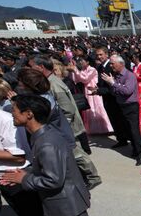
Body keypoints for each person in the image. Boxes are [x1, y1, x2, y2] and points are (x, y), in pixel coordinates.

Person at [1, 95, 113, 216]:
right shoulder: (43, 135)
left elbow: (53, 179)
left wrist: (24, 178)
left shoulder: (46, 142)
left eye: (15, 110)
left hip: (66, 199)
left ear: (29, 114)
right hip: (66, 197)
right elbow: (47, 168)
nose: (12, 113)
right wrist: (26, 172)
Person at [29, 55, 103, 190]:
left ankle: (93, 177)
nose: (31, 69)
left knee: (77, 153)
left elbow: (68, 109)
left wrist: (63, 127)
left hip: (67, 126)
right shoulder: (49, 82)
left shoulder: (54, 84)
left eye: (32, 66)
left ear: (41, 67)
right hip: (63, 125)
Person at [101, 55, 141, 166]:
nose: (111, 65)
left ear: (121, 64)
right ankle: (135, 149)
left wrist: (113, 83)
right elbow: (114, 91)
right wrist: (113, 85)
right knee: (128, 130)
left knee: (134, 130)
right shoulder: (116, 75)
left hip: (131, 106)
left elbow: (127, 91)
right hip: (121, 105)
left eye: (113, 63)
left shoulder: (129, 76)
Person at [92, 46, 129, 147]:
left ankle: (125, 138)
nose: (99, 57)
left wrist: (100, 90)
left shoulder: (111, 66)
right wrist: (97, 89)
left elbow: (114, 84)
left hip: (114, 98)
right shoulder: (100, 67)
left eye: (101, 54)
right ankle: (121, 139)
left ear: (106, 54)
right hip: (106, 97)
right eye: (97, 55)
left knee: (119, 119)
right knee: (113, 119)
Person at [70, 56, 113, 135]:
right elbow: (76, 79)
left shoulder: (92, 69)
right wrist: (74, 70)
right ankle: (93, 129)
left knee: (96, 108)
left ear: (88, 62)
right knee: (89, 109)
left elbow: (85, 79)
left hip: (94, 90)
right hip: (87, 90)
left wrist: (76, 70)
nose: (81, 63)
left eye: (82, 61)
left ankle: (104, 128)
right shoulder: (83, 70)